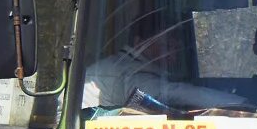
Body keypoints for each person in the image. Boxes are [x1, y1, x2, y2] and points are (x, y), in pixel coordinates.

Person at [82, 18, 245, 112]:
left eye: (175, 48)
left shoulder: (127, 64)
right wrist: (241, 105)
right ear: (139, 43)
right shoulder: (125, 71)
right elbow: (174, 93)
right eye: (166, 46)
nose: (172, 55)